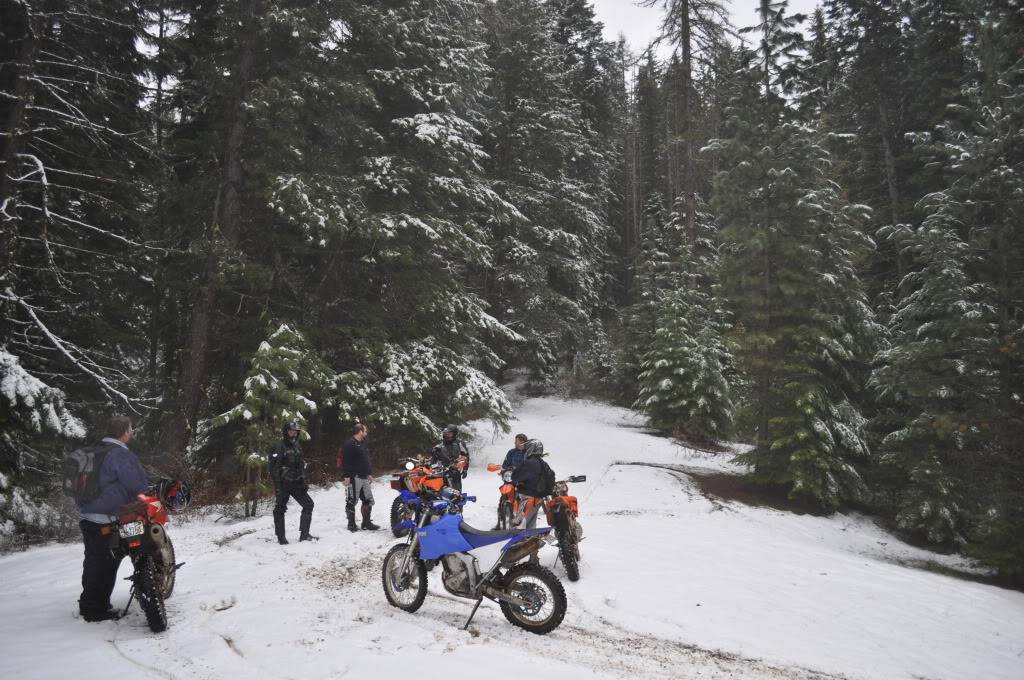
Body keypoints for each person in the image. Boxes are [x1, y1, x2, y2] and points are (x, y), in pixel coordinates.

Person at [76, 414, 148, 622]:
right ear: (124, 432)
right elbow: (137, 485)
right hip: (109, 519)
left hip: (87, 515)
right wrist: (145, 494)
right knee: (107, 562)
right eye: (130, 430)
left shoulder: (92, 451)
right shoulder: (120, 455)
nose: (131, 434)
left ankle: (89, 602)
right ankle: (95, 610)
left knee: (93, 560)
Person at [269, 421, 315, 544]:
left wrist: (303, 481)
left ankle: (304, 535)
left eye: (295, 431)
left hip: (296, 483)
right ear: (286, 432)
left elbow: (300, 465)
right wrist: (278, 485)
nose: (293, 433)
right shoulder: (279, 446)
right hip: (283, 484)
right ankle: (281, 537)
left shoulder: (297, 445)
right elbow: (273, 468)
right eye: (291, 431)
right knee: (279, 509)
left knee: (308, 504)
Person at [341, 423, 379, 532]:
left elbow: (366, 459)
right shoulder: (349, 444)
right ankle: (351, 524)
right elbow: (346, 462)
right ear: (360, 431)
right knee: (352, 500)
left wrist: (369, 473)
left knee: (368, 500)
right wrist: (347, 476)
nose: (366, 433)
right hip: (354, 477)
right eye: (365, 431)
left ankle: (366, 523)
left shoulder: (363, 443)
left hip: (364, 476)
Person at [510, 438, 553, 529]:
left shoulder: (530, 463)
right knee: (530, 525)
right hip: (538, 498)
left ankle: (519, 541)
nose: (525, 450)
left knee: (518, 525)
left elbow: (515, 476)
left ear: (531, 448)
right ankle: (531, 540)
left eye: (527, 447)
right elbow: (551, 475)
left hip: (527, 496)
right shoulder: (543, 463)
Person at [430, 424, 470, 491]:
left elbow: (466, 456)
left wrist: (465, 469)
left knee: (456, 491)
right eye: (445, 433)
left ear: (454, 434)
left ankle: (458, 499)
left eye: (449, 433)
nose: (447, 435)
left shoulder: (459, 444)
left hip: (455, 470)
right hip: (442, 471)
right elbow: (433, 460)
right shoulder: (439, 446)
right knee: (440, 490)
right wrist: (433, 467)